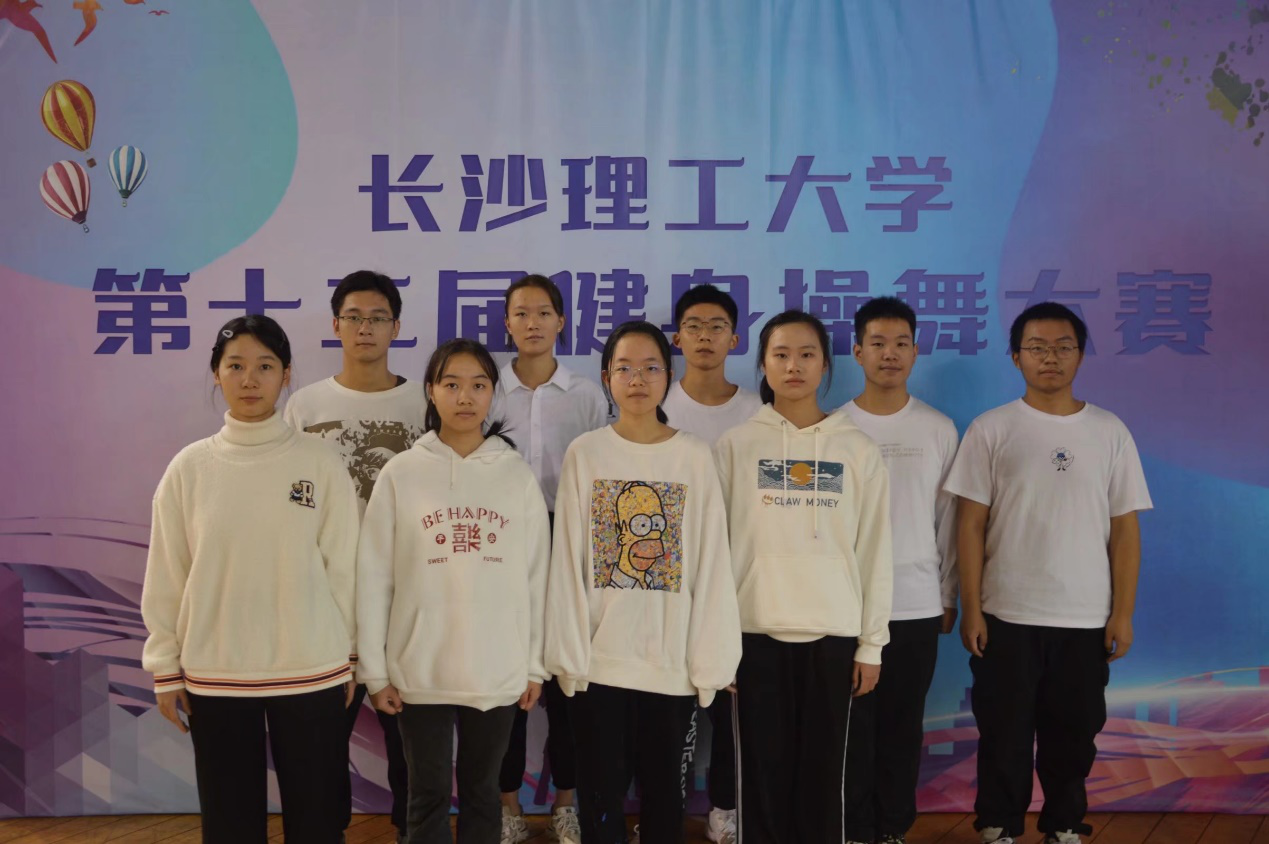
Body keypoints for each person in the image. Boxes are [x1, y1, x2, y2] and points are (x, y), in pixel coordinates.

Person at [141, 315, 360, 844]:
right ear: (216, 374)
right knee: (230, 823)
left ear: (286, 375)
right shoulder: (190, 468)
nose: (249, 380)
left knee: (317, 820)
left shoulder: (320, 462)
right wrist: (165, 666)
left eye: (265, 366)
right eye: (235, 366)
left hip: (311, 668)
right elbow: (168, 572)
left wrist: (351, 654)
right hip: (217, 671)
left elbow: (345, 568)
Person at [945, 302, 1152, 844]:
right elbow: (970, 526)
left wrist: (1123, 614)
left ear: (1080, 355)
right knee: (1003, 731)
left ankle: (1063, 825)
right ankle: (998, 824)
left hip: (1084, 616)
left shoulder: (1109, 431)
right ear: (1016, 357)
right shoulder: (992, 429)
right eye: (1036, 347)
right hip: (1006, 613)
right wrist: (971, 608)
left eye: (1063, 347)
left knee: (1074, 734)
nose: (1050, 357)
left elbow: (1125, 531)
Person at [545, 320, 741, 844]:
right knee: (600, 802)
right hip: (598, 665)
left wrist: (711, 658)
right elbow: (566, 562)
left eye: (651, 367)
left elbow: (712, 562)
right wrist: (568, 655)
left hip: (671, 667)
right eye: (624, 368)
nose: (637, 379)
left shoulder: (694, 455)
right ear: (606, 377)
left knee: (665, 805)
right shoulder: (586, 454)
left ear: (668, 376)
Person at [358, 339, 550, 844]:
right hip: (418, 670)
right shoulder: (402, 473)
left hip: (496, 669)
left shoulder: (515, 475)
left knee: (484, 793)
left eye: (478, 385)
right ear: (431, 391)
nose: (465, 397)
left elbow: (537, 577)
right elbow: (374, 576)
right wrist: (374, 671)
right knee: (426, 794)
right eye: (452, 384)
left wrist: (534, 665)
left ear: (493, 394)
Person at [713, 310, 893, 844]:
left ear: (826, 365)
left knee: (823, 781)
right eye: (781, 355)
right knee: (761, 780)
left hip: (833, 637)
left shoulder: (857, 449)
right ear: (763, 365)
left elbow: (874, 550)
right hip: (753, 634)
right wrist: (719, 643)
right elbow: (715, 553)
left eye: (807, 354)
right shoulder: (735, 446)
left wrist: (872, 645)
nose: (794, 366)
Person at [284, 269, 425, 843]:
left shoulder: (426, 400)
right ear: (335, 324)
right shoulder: (304, 404)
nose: (365, 328)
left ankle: (414, 831)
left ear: (397, 326)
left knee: (411, 738)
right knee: (321, 738)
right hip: (327, 596)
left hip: (404, 593)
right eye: (354, 317)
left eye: (377, 318)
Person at [837, 297, 959, 844]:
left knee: (902, 725)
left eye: (901, 344)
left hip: (916, 602)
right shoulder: (834, 427)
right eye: (878, 343)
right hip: (847, 605)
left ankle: (891, 829)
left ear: (915, 351)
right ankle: (853, 828)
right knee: (852, 727)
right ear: (857, 351)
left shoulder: (937, 428)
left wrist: (949, 594)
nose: (890, 354)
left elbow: (949, 520)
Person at [491, 274, 606, 844]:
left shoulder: (586, 394)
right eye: (521, 313)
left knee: (568, 684)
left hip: (570, 539)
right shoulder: (487, 388)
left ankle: (566, 804)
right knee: (507, 678)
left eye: (543, 312)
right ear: (507, 323)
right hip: (500, 542)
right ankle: (507, 807)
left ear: (562, 321)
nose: (531, 322)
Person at [660, 282, 761, 844]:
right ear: (677, 338)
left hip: (736, 579)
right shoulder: (656, 402)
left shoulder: (757, 412)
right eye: (693, 326)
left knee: (730, 706)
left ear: (735, 339)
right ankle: (662, 811)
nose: (705, 336)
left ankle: (725, 806)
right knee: (667, 706)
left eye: (717, 326)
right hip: (666, 579)